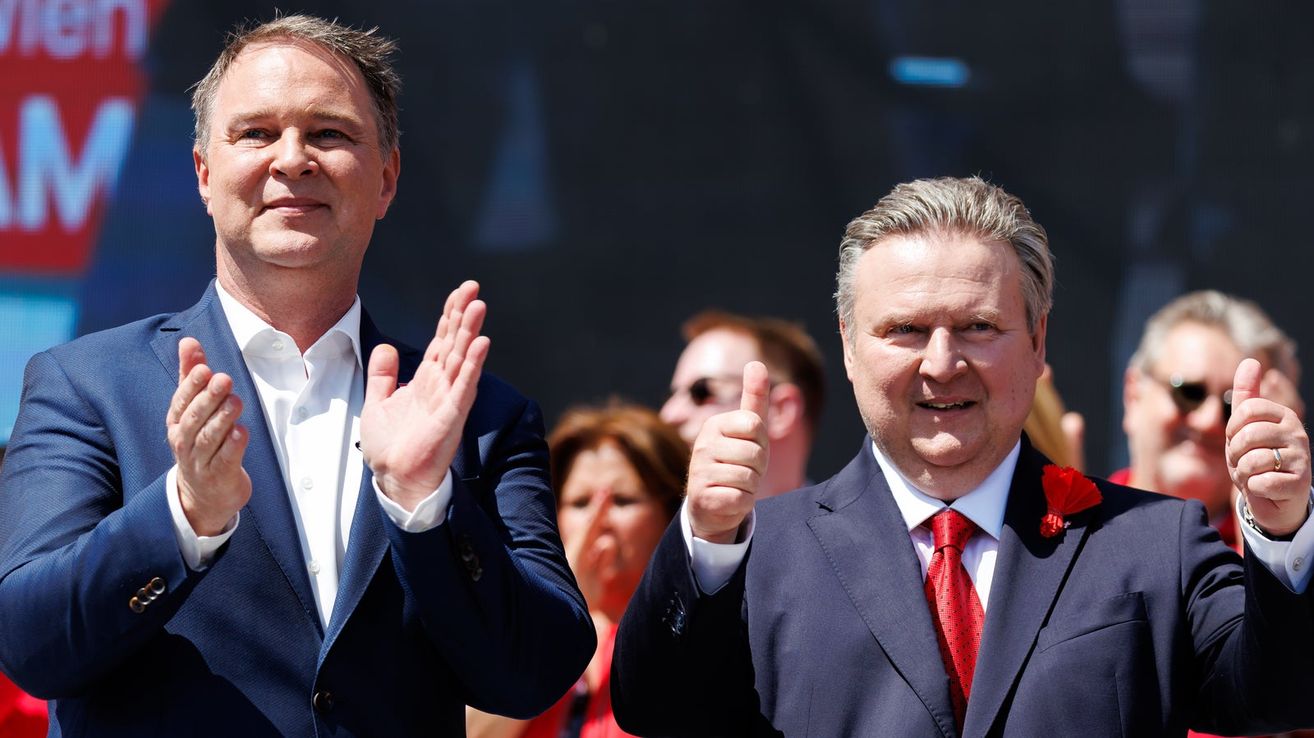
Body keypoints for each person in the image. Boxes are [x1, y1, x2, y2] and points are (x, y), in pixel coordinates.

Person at [0, 15, 593, 736]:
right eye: (255, 133)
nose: (293, 159)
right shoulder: (85, 385)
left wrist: (425, 503)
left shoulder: (482, 416)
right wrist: (185, 515)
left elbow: (535, 674)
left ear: (387, 178)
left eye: (330, 134)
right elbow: (31, 645)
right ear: (204, 175)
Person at [612, 176, 1314, 737]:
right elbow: (659, 713)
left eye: (979, 327)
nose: (942, 364)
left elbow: (1278, 699)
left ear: (1038, 342)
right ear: (850, 347)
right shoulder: (762, 555)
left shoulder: (1155, 543)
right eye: (906, 330)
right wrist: (705, 540)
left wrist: (1284, 534)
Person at [468, 403, 688, 738]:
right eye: (580, 503)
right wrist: (565, 611)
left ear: (671, 512)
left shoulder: (695, 632)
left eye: (623, 501)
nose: (596, 522)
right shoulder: (509, 626)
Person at [1118, 290, 1302, 550]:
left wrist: (1280, 535)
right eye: (1189, 393)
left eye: (1235, 406)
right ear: (1133, 396)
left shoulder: (1293, 565)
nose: (1208, 421)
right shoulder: (1073, 520)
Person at [659, 310, 824, 497]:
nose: (668, 415)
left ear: (780, 411)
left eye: (702, 391)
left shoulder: (845, 524)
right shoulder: (654, 524)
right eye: (671, 396)